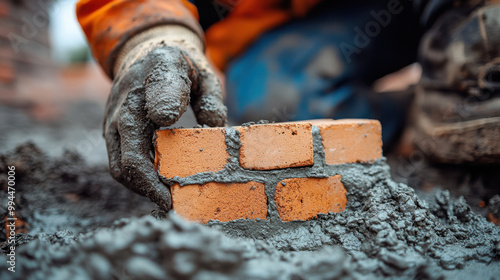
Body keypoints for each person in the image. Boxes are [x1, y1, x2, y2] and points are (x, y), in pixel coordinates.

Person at [76, 0, 500, 211]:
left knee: (484, 40)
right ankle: (422, 115)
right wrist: (148, 37)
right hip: (290, 23)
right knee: (274, 105)